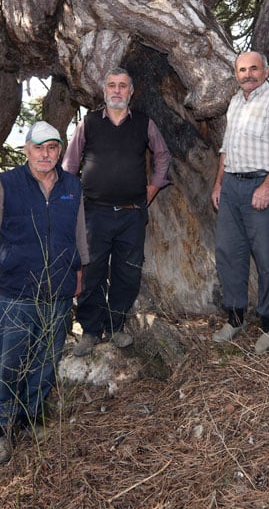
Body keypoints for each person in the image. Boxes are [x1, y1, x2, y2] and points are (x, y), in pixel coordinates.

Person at [0, 121, 88, 465]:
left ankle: (32, 419)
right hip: (15, 292)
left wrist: (79, 275)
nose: (46, 154)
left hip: (58, 291)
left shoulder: (73, 186)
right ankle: (4, 429)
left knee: (46, 361)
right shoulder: (5, 185)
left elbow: (79, 235)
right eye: (39, 147)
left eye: (53, 147)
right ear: (26, 149)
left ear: (60, 150)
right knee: (11, 363)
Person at [64, 68, 171, 356]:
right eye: (111, 85)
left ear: (131, 91)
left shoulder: (144, 124)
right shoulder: (88, 124)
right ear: (104, 91)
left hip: (131, 213)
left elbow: (162, 155)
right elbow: (69, 166)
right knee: (92, 271)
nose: (117, 90)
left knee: (127, 273)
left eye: (123, 86)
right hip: (93, 213)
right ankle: (89, 330)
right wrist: (69, 200)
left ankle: (115, 327)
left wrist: (154, 187)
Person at [210, 51, 269, 354]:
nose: (248, 74)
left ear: (267, 70)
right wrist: (219, 183)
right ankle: (235, 318)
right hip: (232, 187)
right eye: (242, 70)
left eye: (254, 69)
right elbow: (226, 148)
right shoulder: (235, 102)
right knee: (228, 252)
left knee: (267, 257)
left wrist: (268, 185)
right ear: (236, 74)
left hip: (262, 186)